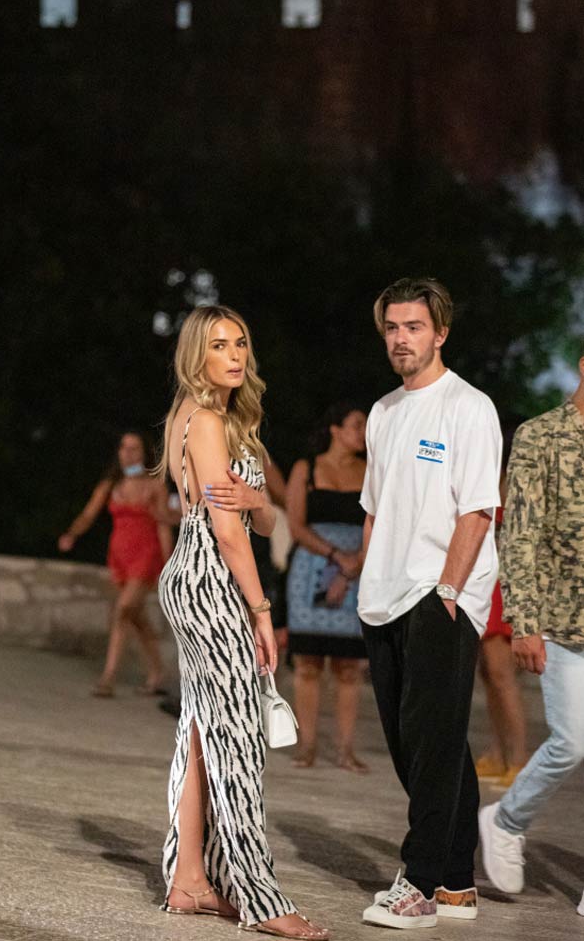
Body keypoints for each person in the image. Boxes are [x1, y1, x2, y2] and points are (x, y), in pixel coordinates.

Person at [157, 305, 329, 940]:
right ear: (196, 355)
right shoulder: (205, 420)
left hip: (201, 577)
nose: (234, 355)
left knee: (205, 732)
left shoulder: (229, 421)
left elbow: (263, 517)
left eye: (240, 343)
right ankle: (260, 896)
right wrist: (261, 610)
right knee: (238, 742)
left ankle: (190, 881)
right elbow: (229, 534)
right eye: (218, 345)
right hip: (211, 583)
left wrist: (259, 499)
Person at [358, 278, 501, 929]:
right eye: (392, 327)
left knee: (432, 741)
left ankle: (417, 884)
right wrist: (368, 583)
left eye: (413, 327)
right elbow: (374, 509)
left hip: (440, 594)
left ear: (440, 333)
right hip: (384, 597)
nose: (401, 338)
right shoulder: (383, 411)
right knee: (416, 743)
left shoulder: (469, 407)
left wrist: (448, 591)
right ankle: (456, 882)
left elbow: (478, 509)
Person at [479, 356, 584, 908]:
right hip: (561, 617)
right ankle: (507, 820)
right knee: (571, 742)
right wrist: (524, 621)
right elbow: (519, 534)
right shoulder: (541, 435)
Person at [285, 402, 368, 772]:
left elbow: (380, 522)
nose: (363, 432)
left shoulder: (371, 471)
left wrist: (354, 564)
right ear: (335, 429)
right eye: (356, 425)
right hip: (311, 569)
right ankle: (307, 746)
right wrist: (334, 555)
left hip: (356, 570)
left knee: (349, 666)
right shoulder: (306, 468)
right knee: (308, 663)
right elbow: (296, 525)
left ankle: (345, 749)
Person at [58, 430, 173, 697]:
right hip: (120, 556)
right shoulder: (111, 485)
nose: (128, 454)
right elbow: (89, 514)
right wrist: (72, 534)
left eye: (134, 448)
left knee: (122, 610)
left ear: (144, 453)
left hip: (146, 554)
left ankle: (108, 678)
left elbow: (163, 525)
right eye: (124, 448)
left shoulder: (155, 486)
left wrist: (168, 563)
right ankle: (157, 672)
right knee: (136, 617)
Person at [475, 423, 528, 788]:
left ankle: (520, 759)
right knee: (488, 674)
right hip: (482, 579)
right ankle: (498, 752)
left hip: (503, 584)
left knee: (502, 674)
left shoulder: (517, 482)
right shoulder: (487, 476)